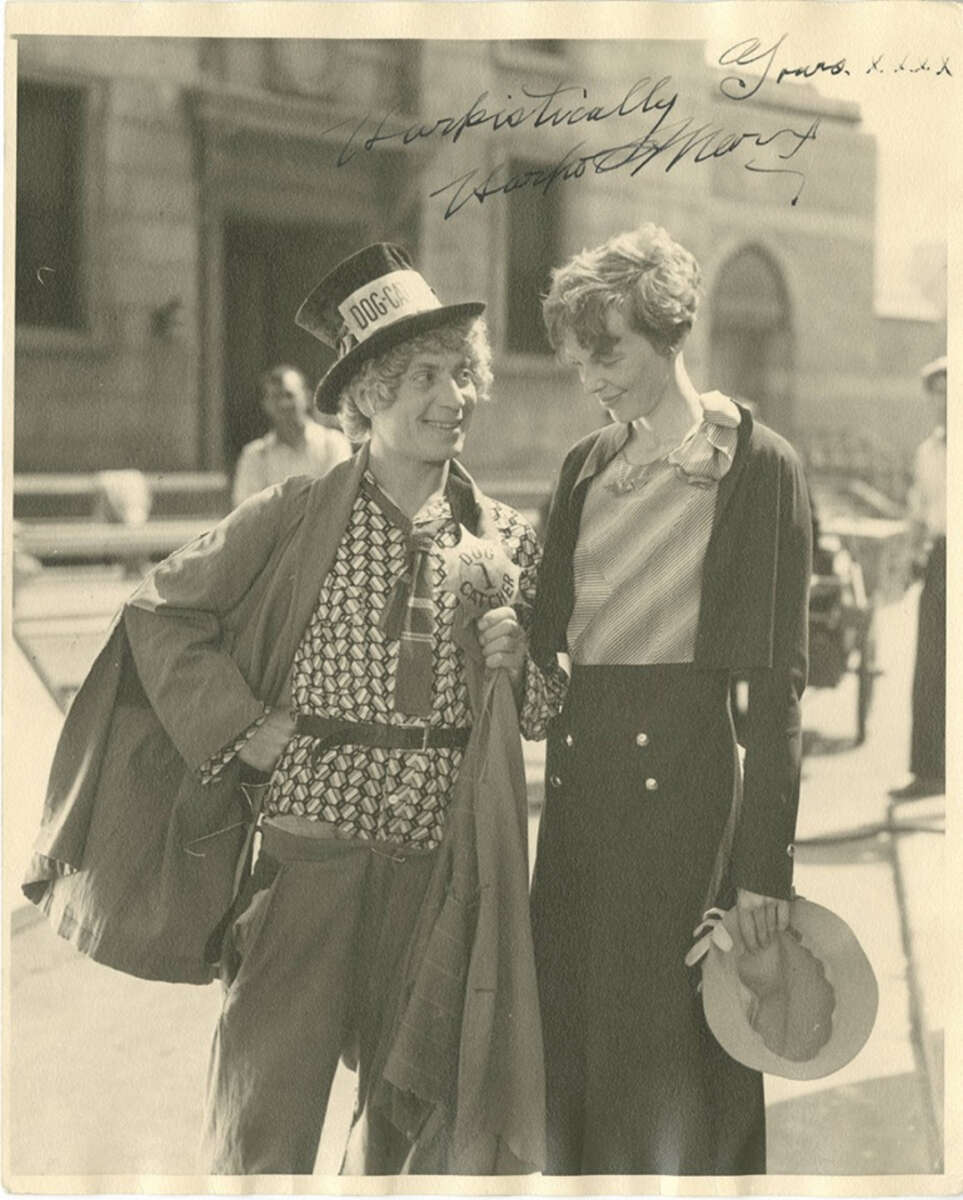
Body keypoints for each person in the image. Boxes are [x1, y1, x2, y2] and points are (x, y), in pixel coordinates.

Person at [23, 243, 564, 1175]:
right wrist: (241, 725)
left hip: (439, 865)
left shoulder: (504, 536)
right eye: (426, 377)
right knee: (264, 1117)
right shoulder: (294, 512)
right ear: (370, 396)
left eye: (461, 374)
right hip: (308, 854)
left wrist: (521, 668)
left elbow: (546, 708)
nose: (454, 397)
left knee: (413, 1124)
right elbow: (160, 611)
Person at [528, 224, 813, 1175]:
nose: (590, 379)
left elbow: (775, 694)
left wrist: (761, 875)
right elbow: (545, 640)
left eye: (607, 354)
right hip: (578, 814)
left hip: (685, 815)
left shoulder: (756, 466)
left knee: (677, 1078)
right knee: (578, 1076)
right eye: (577, 360)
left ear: (669, 331)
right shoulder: (583, 467)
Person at [889, 355, 946, 800]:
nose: (945, 402)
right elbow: (920, 514)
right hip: (942, 560)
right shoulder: (928, 453)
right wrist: (909, 560)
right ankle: (929, 771)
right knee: (931, 666)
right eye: (938, 394)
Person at [231, 363, 350, 505]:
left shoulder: (334, 444)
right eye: (275, 397)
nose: (283, 404)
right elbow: (247, 510)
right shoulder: (255, 455)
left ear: (307, 397)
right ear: (266, 404)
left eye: (289, 395)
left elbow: (337, 500)